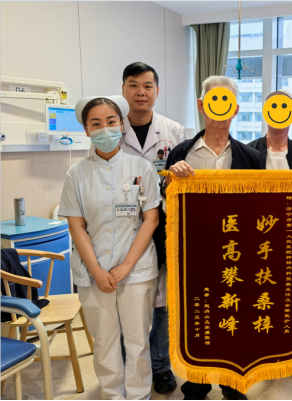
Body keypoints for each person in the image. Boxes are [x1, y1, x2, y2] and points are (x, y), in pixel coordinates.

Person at [166, 76, 264, 401]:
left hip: (237, 254)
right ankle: (197, 382)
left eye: (226, 101)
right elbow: (166, 206)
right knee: (198, 317)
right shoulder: (180, 154)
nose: (219, 108)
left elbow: (261, 208)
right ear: (201, 105)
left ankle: (233, 384)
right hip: (194, 255)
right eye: (212, 100)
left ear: (235, 109)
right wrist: (170, 181)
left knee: (234, 318)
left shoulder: (252, 158)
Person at [59, 96, 161, 400]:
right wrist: (96, 270)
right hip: (93, 271)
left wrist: (127, 265)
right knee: (104, 341)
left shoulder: (142, 167)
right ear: (86, 130)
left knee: (137, 341)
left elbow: (151, 219)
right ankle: (112, 395)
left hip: (137, 268)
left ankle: (139, 395)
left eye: (111, 122)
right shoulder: (76, 174)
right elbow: (77, 226)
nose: (105, 129)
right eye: (96, 123)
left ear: (121, 124)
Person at [121, 62, 187, 394]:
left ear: (157, 91)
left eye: (147, 86)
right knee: (128, 301)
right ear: (123, 90)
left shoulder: (174, 131)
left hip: (165, 226)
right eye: (133, 85)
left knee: (162, 300)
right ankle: (131, 366)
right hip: (124, 226)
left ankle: (161, 366)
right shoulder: (112, 129)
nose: (141, 92)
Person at [248, 88, 292, 381]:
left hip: (290, 239)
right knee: (258, 295)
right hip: (255, 237)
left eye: (284, 107)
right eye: (272, 107)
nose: (278, 113)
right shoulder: (248, 151)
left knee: (290, 296)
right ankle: (259, 352)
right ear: (265, 114)